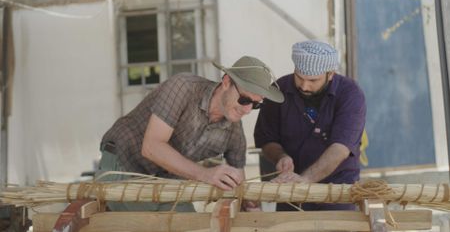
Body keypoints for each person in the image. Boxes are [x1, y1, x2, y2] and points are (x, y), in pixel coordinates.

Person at [98, 56, 284, 212]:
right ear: (226, 82)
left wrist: (249, 201)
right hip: (122, 164)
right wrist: (205, 174)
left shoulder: (234, 128)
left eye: (256, 104)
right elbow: (152, 147)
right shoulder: (183, 87)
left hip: (167, 183)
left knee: (193, 224)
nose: (247, 110)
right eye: (244, 99)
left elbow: (238, 176)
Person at [254, 40, 366, 211]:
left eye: (313, 80)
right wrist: (281, 157)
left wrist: (305, 180)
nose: (304, 86)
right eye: (299, 78)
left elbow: (340, 148)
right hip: (290, 192)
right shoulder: (279, 89)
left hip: (337, 193)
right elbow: (267, 138)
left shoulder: (350, 94)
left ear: (330, 74)